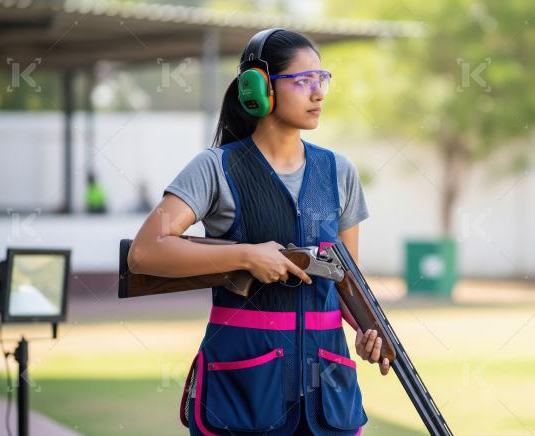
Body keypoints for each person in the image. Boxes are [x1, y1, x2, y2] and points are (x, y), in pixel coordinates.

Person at [127, 28, 390, 436]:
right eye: (303, 81)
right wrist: (246, 256)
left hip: (328, 400)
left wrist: (365, 333)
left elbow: (346, 282)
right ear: (258, 88)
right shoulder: (215, 167)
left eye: (322, 79)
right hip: (245, 395)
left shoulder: (340, 172)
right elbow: (145, 253)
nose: (318, 93)